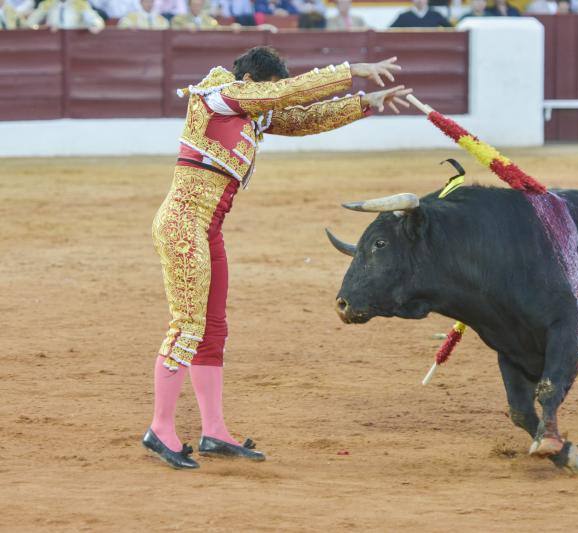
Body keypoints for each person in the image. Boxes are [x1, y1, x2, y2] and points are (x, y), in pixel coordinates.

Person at [144, 47, 412, 469]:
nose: (272, 99)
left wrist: (365, 103)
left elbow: (304, 118)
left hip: (207, 228)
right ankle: (160, 428)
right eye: (269, 91)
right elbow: (290, 93)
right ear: (251, 82)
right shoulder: (218, 96)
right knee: (188, 325)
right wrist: (351, 70)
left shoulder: (249, 112)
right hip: (183, 225)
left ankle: (214, 430)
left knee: (213, 328)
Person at [26, 0, 104, 31]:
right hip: (52, 42)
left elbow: (96, 21)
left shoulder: (79, 3)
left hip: (75, 41)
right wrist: (40, 28)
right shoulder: (48, 4)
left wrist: (94, 26)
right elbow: (29, 23)